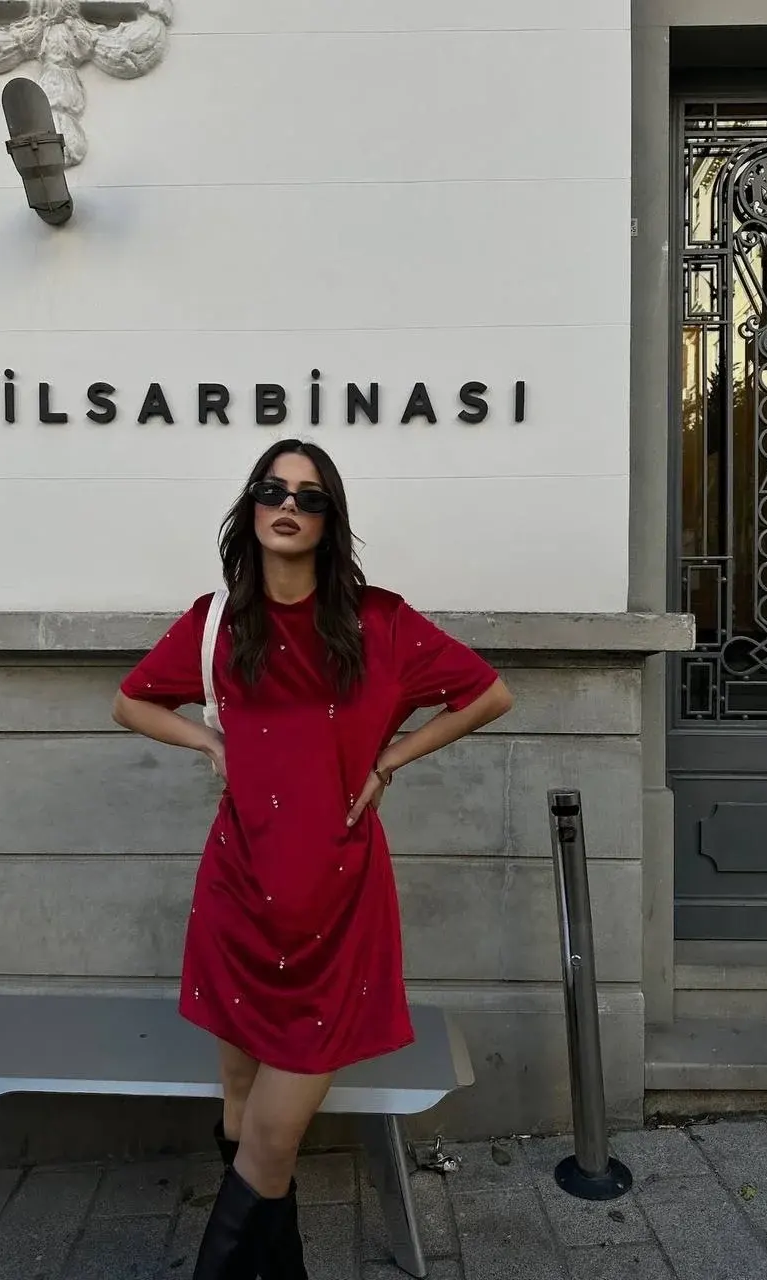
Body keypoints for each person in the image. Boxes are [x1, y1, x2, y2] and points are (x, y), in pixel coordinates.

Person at [112, 439, 513, 1278]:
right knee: (239, 1106)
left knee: (272, 1131)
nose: (288, 504)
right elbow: (131, 702)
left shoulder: (382, 623)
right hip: (237, 889)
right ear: (250, 508)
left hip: (336, 899)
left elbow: (489, 692)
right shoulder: (216, 623)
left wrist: (391, 758)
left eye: (310, 495)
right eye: (272, 489)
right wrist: (209, 741)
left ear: (331, 522)